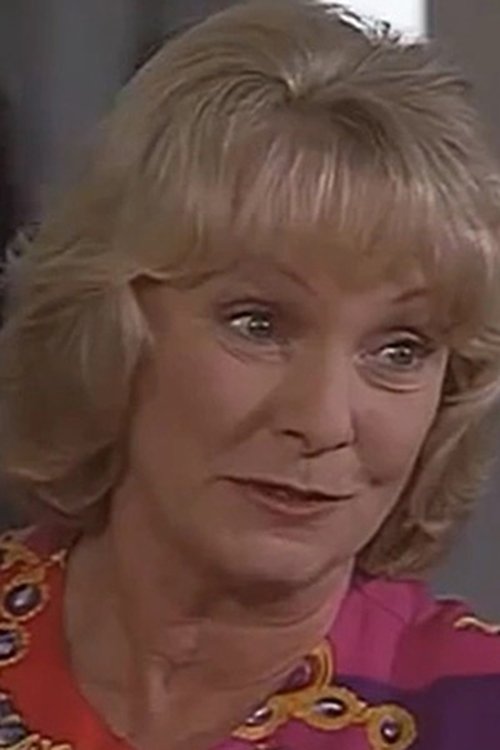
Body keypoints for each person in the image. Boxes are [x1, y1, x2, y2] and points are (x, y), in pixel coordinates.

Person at [0, 2, 499, 749]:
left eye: (400, 350)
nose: (323, 421)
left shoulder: (476, 710)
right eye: (258, 325)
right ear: (110, 328)